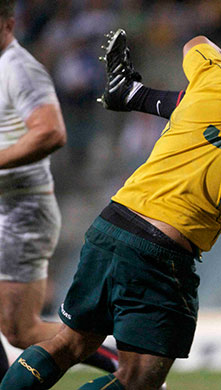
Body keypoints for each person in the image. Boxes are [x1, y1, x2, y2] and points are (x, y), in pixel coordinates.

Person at [0, 26, 221, 389]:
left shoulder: (217, 82)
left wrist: (155, 97)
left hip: (110, 226)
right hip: (160, 254)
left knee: (67, 343)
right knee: (138, 379)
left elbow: (195, 42)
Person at [0, 0, 120, 379]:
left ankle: (122, 362)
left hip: (22, 210)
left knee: (22, 331)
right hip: (8, 206)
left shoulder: (19, 70)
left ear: (8, 24)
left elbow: (51, 131)